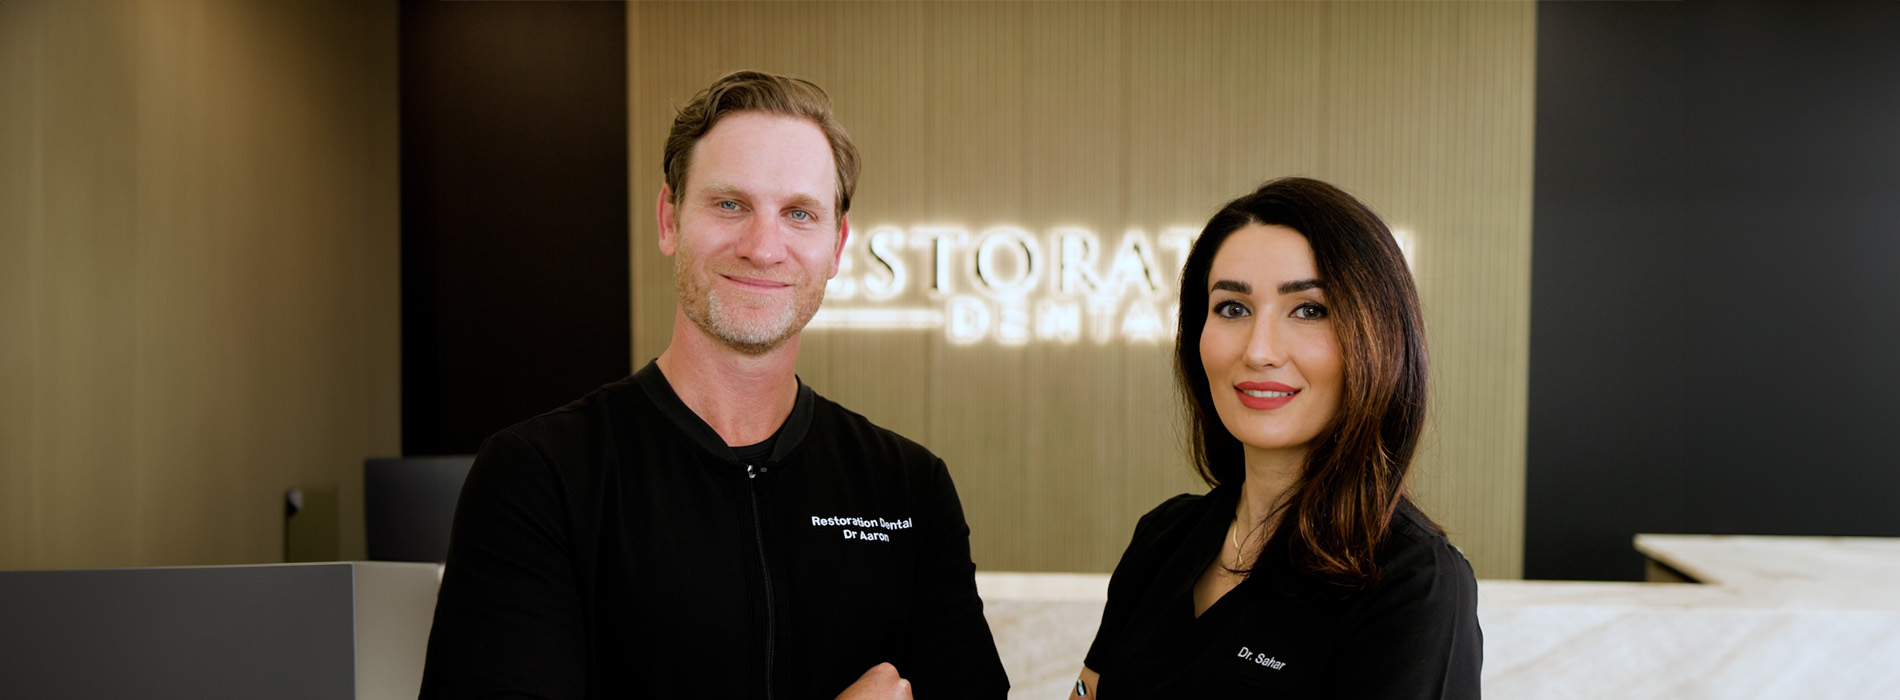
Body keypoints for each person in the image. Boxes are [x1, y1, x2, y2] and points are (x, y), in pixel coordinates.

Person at [420, 70, 1009, 700]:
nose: (763, 246)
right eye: (730, 204)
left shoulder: (907, 487)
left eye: (799, 214)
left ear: (836, 247)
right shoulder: (541, 477)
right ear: (670, 219)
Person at [1072, 178, 1482, 698]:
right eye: (1232, 308)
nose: (1259, 350)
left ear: (1378, 338)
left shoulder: (1414, 583)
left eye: (1310, 309)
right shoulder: (1163, 537)